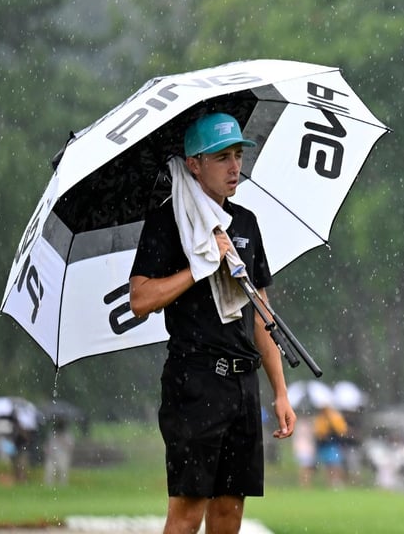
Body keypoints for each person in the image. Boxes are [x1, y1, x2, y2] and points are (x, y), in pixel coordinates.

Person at [129, 111, 296, 534]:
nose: (234, 166)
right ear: (194, 164)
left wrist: (280, 392)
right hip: (194, 380)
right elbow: (140, 300)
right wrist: (199, 266)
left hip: (243, 384)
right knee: (187, 514)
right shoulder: (167, 221)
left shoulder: (246, 224)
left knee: (229, 513)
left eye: (238, 155)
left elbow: (262, 315)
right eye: (222, 157)